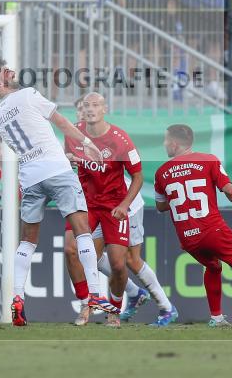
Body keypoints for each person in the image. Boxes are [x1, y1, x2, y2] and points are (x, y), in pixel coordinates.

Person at [0, 59, 115, 326]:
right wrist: (87, 143)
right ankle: (96, 294)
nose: (12, 71)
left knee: (28, 240)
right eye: (6, 71)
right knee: (82, 231)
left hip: (30, 177)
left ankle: (17, 299)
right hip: (56, 170)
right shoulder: (27, 95)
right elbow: (61, 121)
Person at [63, 93, 178, 328]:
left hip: (125, 204)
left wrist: (123, 205)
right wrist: (69, 161)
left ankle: (166, 307)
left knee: (128, 260)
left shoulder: (119, 139)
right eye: (83, 108)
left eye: (93, 106)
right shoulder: (73, 135)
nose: (86, 112)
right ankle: (118, 297)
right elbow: (71, 165)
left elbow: (137, 174)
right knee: (85, 255)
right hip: (91, 204)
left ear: (104, 109)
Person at [155, 124, 232, 327]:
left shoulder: (162, 172)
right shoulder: (208, 160)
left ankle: (216, 317)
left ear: (175, 143)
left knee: (212, 266)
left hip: (187, 238)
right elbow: (229, 190)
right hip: (211, 229)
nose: (164, 144)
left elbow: (161, 206)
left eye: (166, 140)